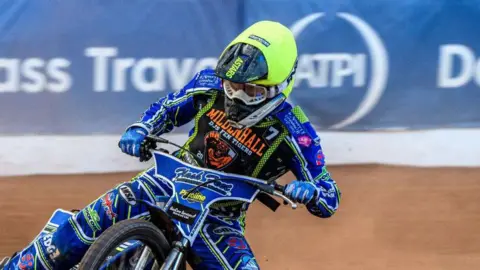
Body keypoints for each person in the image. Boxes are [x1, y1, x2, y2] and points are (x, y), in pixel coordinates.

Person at [1, 20, 341, 270]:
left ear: (280, 86)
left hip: (219, 216)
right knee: (79, 229)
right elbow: (166, 109)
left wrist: (310, 192)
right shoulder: (209, 86)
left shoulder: (296, 132)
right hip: (165, 180)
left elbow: (329, 195)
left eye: (249, 90)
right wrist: (141, 129)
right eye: (231, 85)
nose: (235, 95)